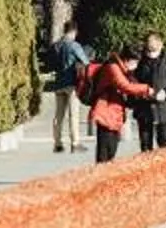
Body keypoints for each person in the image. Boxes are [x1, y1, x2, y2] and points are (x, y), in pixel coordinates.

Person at [77, 40, 154, 164]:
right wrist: (146, 89)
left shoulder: (121, 68)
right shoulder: (112, 67)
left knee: (111, 152)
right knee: (104, 154)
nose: (136, 65)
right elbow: (125, 86)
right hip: (105, 112)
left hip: (114, 113)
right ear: (128, 59)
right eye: (135, 62)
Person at [132, 29, 166, 151]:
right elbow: (133, 80)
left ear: (161, 45)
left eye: (153, 51)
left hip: (163, 109)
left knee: (164, 144)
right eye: (148, 51)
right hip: (144, 108)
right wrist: (140, 91)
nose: (150, 54)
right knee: (145, 146)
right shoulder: (140, 58)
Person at [46, 22, 93, 154]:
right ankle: (75, 143)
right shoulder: (74, 45)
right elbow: (86, 62)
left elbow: (50, 64)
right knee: (73, 114)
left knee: (58, 115)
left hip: (58, 83)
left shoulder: (56, 46)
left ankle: (57, 143)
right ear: (74, 31)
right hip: (72, 84)